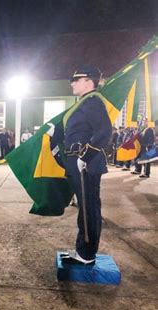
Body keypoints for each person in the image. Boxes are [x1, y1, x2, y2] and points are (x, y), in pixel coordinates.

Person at [61, 65, 112, 265]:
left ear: (89, 81)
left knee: (89, 207)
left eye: (77, 79)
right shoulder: (84, 102)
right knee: (85, 207)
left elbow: (104, 132)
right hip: (80, 162)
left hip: (85, 164)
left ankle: (87, 254)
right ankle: (83, 250)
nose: (73, 83)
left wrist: (85, 157)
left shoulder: (92, 102)